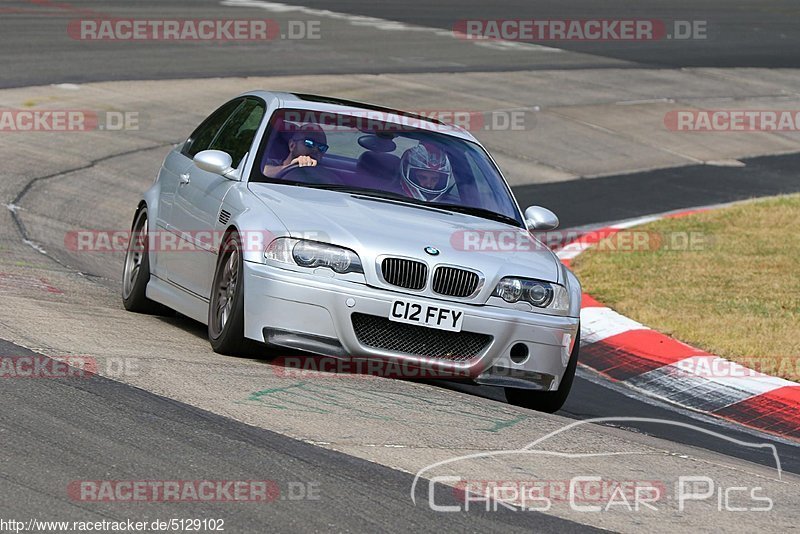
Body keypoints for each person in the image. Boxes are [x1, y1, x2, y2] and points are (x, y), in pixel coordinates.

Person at [263, 123, 329, 176]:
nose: (315, 150)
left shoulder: (323, 174)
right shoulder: (271, 163)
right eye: (309, 143)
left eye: (321, 147)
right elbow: (264, 172)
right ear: (292, 145)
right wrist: (290, 167)